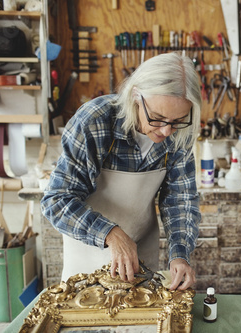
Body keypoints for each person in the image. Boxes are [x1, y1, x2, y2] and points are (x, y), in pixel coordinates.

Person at [41, 52, 201, 291]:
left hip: (141, 250)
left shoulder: (179, 135)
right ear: (136, 95)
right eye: (157, 118)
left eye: (178, 121)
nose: (168, 131)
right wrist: (111, 233)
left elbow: (180, 200)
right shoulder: (95, 121)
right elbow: (56, 201)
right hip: (88, 252)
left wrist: (179, 254)